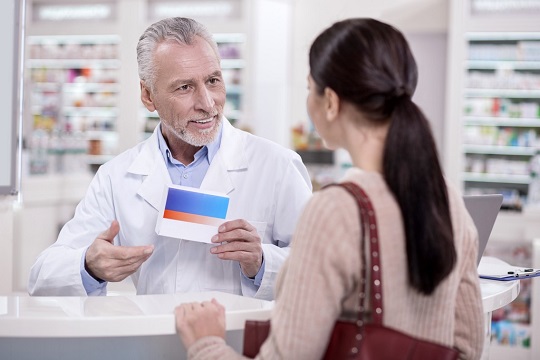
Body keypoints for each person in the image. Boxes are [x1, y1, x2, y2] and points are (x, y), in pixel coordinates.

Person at [175, 18, 485, 359]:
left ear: (331, 102)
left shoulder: (336, 211)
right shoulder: (447, 200)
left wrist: (206, 343)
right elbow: (467, 347)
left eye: (310, 88)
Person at [28, 17, 313, 300]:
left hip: (238, 342)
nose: (207, 103)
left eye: (213, 81)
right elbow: (42, 277)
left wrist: (263, 262)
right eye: (185, 87)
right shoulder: (116, 177)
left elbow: (320, 274)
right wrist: (89, 266)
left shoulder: (277, 166)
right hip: (153, 340)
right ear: (148, 95)